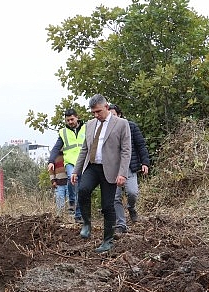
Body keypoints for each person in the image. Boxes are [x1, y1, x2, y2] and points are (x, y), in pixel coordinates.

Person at [71, 94, 131, 253]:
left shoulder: (121, 124)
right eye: (93, 113)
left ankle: (108, 241)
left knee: (107, 206)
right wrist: (76, 171)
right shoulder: (90, 125)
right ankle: (86, 224)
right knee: (82, 190)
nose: (96, 115)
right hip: (92, 167)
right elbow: (85, 149)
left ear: (106, 107)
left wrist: (123, 173)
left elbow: (126, 150)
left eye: (98, 111)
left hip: (111, 170)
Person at [109, 104, 151, 233]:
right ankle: (121, 224)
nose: (111, 118)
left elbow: (141, 145)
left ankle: (131, 208)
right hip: (113, 168)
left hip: (129, 167)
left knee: (132, 192)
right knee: (115, 197)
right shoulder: (106, 130)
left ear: (120, 115)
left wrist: (145, 162)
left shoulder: (131, 126)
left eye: (114, 115)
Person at [48, 109, 85, 222]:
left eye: (72, 119)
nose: (70, 122)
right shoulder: (63, 132)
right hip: (70, 162)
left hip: (84, 161)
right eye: (67, 120)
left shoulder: (86, 128)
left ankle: (78, 214)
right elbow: (56, 148)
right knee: (72, 179)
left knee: (82, 188)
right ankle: (72, 199)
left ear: (77, 117)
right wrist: (51, 161)